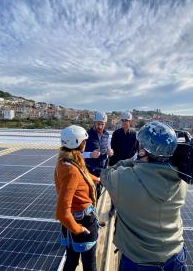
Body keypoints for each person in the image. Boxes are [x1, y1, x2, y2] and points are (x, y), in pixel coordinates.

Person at [100, 121, 188, 271]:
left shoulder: (125, 179)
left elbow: (105, 174)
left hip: (139, 262)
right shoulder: (182, 180)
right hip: (175, 257)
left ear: (142, 151)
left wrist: (132, 160)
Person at [54, 125, 100, 271]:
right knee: (89, 266)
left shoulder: (64, 162)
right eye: (84, 141)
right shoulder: (71, 170)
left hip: (72, 223)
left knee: (72, 261)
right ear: (78, 143)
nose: (85, 144)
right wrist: (78, 229)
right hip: (81, 221)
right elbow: (62, 212)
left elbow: (83, 174)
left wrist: (98, 179)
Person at [108, 111, 138, 217]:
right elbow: (113, 150)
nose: (125, 122)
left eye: (127, 121)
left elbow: (136, 150)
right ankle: (113, 207)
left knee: (127, 188)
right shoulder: (116, 134)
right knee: (115, 187)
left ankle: (124, 208)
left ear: (130, 122)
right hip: (116, 164)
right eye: (123, 120)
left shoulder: (134, 135)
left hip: (128, 165)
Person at [83, 111, 113, 199]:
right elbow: (79, 154)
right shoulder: (86, 135)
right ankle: (89, 211)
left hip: (102, 170)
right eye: (98, 124)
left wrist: (109, 152)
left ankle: (93, 210)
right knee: (89, 193)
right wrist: (90, 154)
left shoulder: (107, 135)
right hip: (89, 170)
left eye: (102, 124)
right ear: (94, 123)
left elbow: (108, 148)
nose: (100, 126)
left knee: (98, 193)